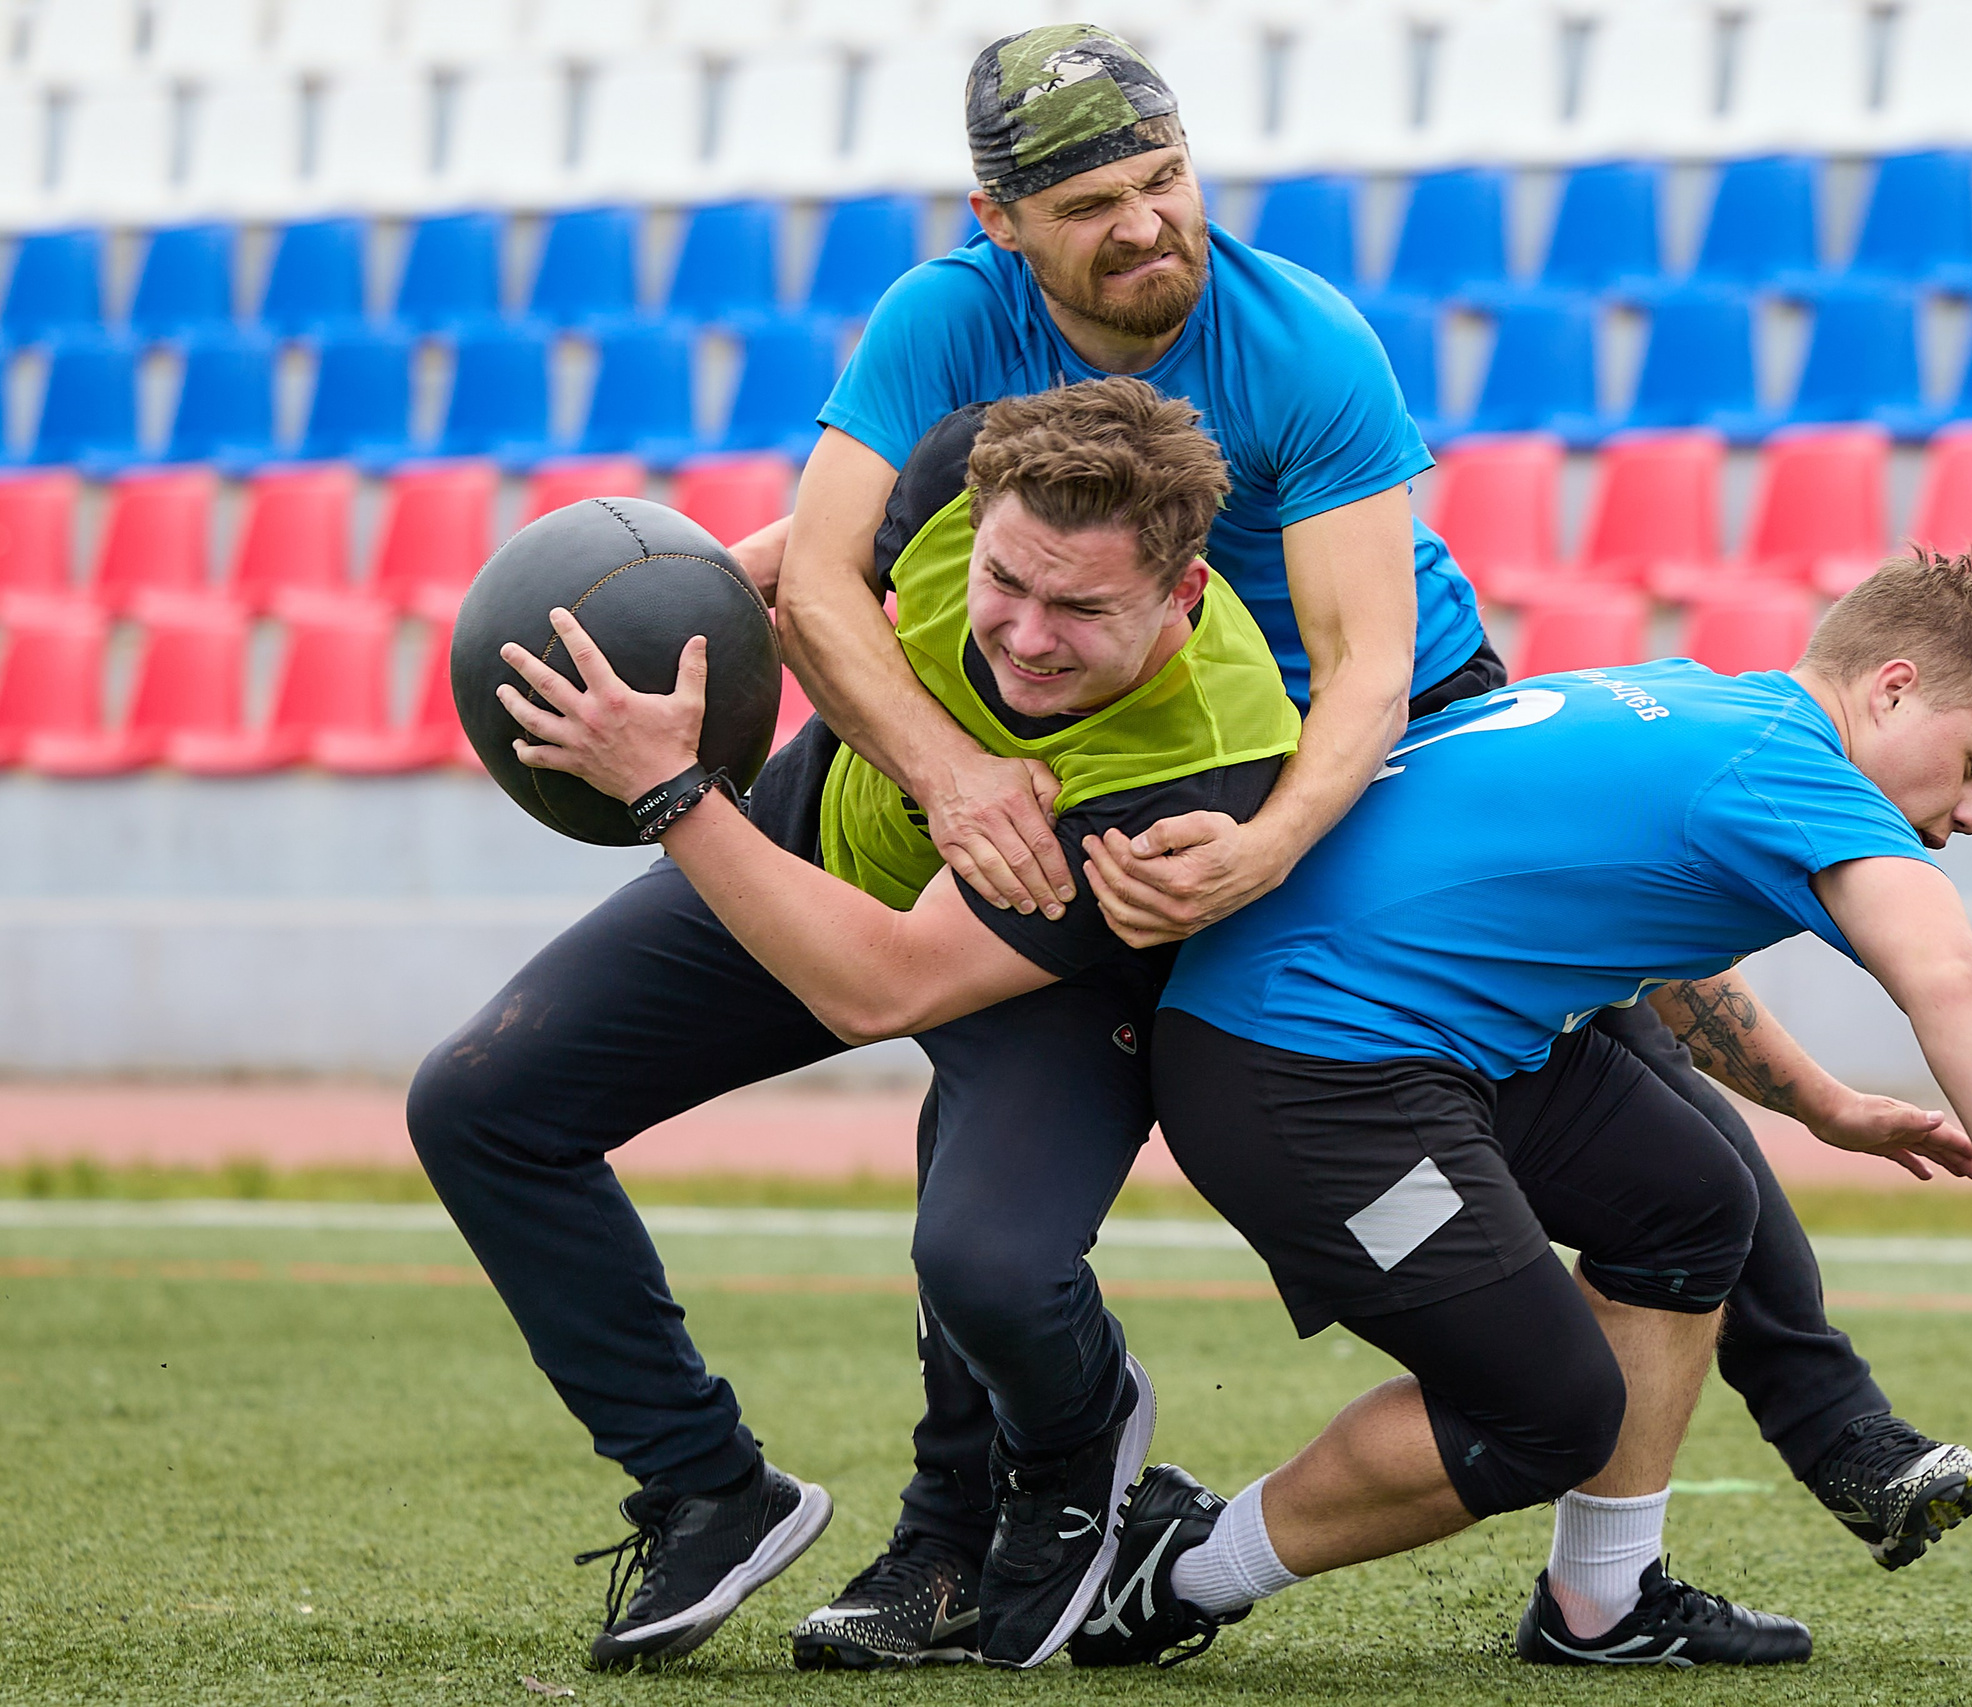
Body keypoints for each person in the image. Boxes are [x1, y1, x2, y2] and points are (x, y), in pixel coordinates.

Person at [777, 21, 1972, 1666]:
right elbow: (811, 565)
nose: (1148, 221)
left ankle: (1815, 1429)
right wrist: (946, 774)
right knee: (993, 1108)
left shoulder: (1300, 340)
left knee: (1623, 1040)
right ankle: (953, 1533)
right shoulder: (941, 318)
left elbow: (1364, 674)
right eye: (1093, 199)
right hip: (1145, 751)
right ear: (1000, 220)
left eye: (1164, 175)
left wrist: (1269, 849)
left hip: (1381, 723)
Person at [1059, 551, 1972, 1668]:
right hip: (1300, 1077)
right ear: (1892, 686)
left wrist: (1818, 1103)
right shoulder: (1785, 768)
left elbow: (1651, 945)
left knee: (1692, 1203)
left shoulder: (1701, 703)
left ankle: (1600, 1604)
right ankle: (1176, 1571)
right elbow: (1956, 985)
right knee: (1549, 1413)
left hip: (1408, 1043)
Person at [408, 381, 1303, 1669]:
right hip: (817, 832)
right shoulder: (952, 470)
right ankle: (705, 1489)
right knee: (481, 1105)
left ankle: (1043, 1463)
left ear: (1185, 593)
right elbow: (767, 579)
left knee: (986, 1265)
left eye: (1081, 609)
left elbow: (881, 987)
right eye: (1006, 583)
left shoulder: (1200, 767)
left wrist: (665, 787)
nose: (1026, 636)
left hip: (1029, 974)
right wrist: (640, 650)